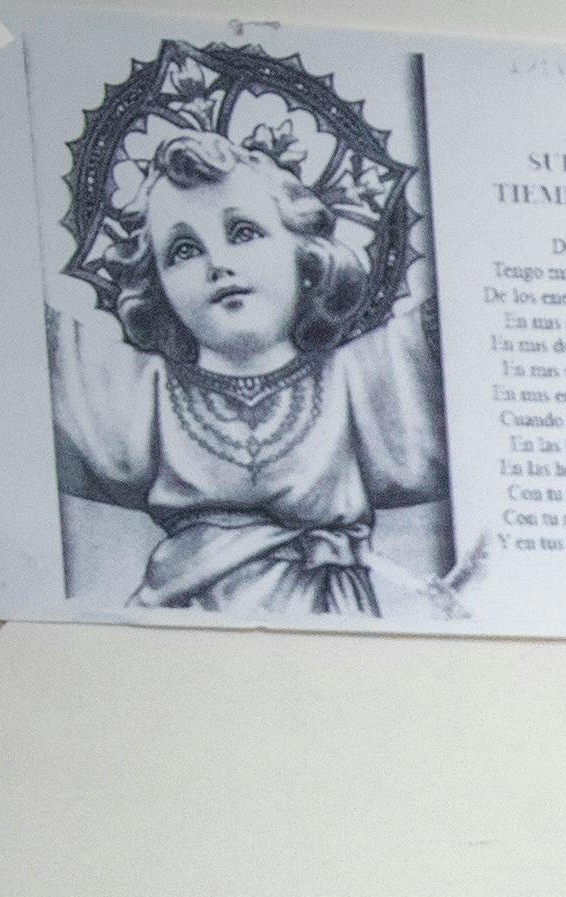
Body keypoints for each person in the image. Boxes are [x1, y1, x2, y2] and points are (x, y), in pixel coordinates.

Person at [44, 44, 448, 621]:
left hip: (332, 623)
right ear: (155, 284)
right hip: (189, 617)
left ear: (307, 259)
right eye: (183, 250)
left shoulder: (357, 374)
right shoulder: (145, 391)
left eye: (245, 232)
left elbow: (452, 352)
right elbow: (39, 354)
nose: (218, 264)